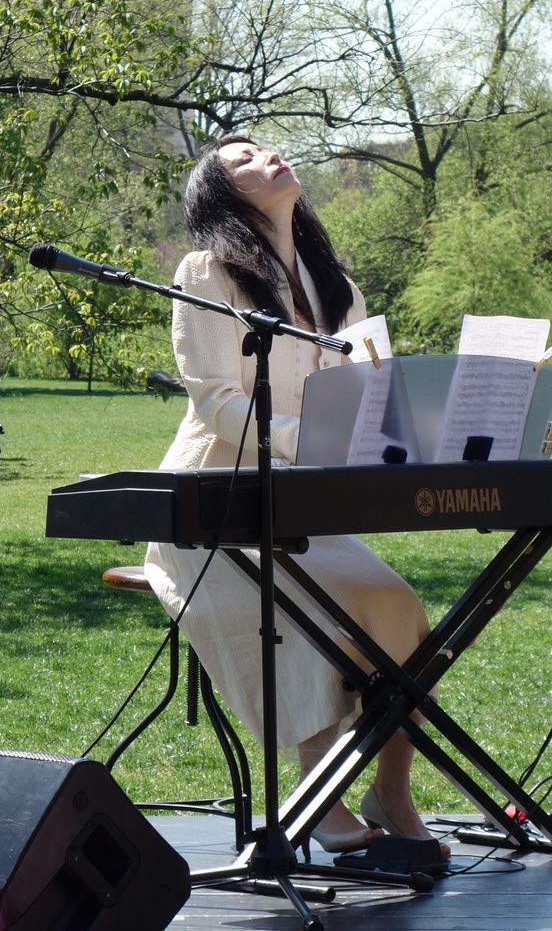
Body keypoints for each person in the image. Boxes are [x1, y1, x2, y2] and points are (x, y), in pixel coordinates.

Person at [146, 135, 440, 856]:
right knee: (305, 610)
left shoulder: (336, 281)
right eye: (241, 158)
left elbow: (372, 388)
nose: (267, 155)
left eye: (266, 148)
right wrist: (295, 439)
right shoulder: (203, 272)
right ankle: (320, 796)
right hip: (211, 512)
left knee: (402, 612)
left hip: (307, 509)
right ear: (222, 195)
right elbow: (216, 401)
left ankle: (390, 791)